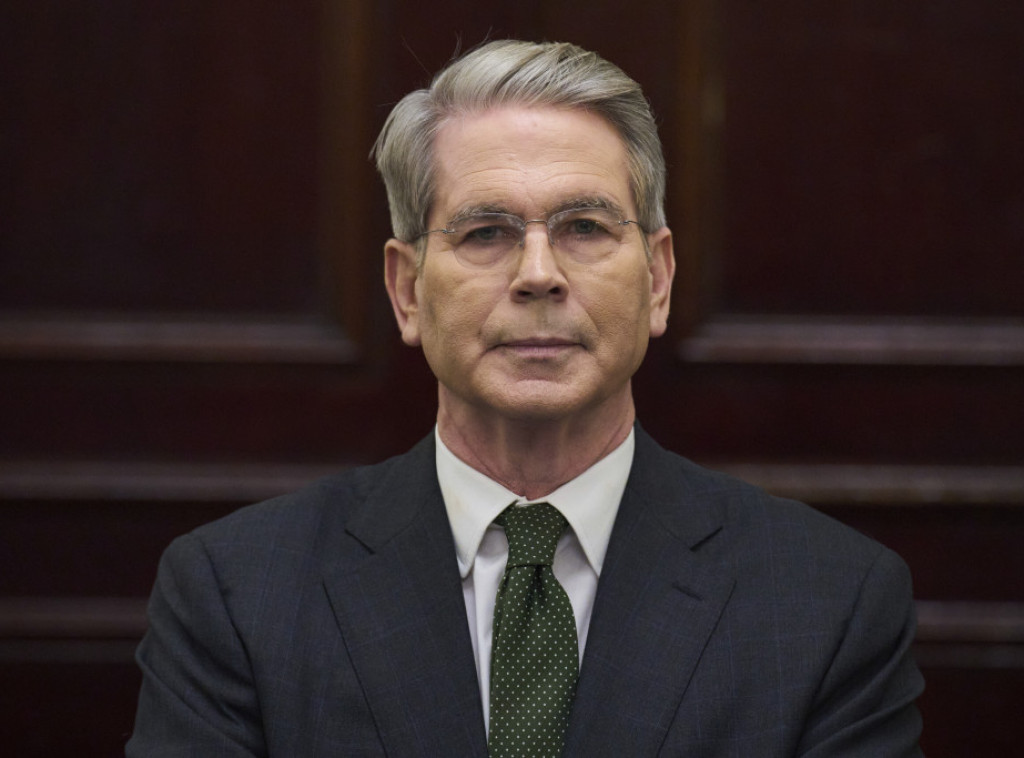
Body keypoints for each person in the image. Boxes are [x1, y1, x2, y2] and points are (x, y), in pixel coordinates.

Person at [127, 40, 924, 757]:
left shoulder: (828, 601)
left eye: (584, 227)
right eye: (486, 233)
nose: (538, 274)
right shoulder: (237, 592)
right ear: (406, 290)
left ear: (658, 280)